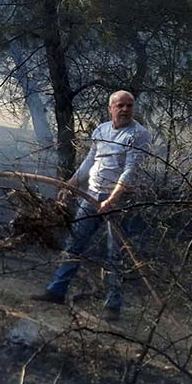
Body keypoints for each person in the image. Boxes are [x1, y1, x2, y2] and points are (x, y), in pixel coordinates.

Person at [32, 90, 150, 321]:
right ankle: (56, 290)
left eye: (129, 105)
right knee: (74, 242)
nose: (125, 110)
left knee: (113, 254)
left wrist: (112, 200)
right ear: (111, 108)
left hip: (118, 202)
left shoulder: (138, 134)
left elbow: (130, 171)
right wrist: (70, 185)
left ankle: (112, 306)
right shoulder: (101, 130)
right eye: (120, 105)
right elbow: (89, 162)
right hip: (91, 196)